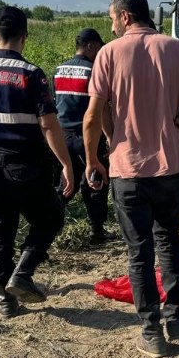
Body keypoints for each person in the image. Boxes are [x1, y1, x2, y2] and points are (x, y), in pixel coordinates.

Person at [84, 0, 179, 358]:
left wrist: (94, 158)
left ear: (123, 16)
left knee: (139, 251)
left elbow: (92, 114)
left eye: (111, 19)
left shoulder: (109, 53)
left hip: (128, 169)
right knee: (168, 241)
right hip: (169, 167)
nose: (112, 25)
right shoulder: (176, 49)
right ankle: (177, 317)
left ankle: (151, 330)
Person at [0, 6, 76, 318]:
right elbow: (49, 125)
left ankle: (5, 300)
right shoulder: (32, 75)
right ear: (24, 37)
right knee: (49, 216)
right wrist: (65, 163)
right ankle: (22, 273)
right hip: (25, 166)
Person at [53, 28, 111, 243]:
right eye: (99, 47)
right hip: (88, 136)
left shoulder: (58, 70)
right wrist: (110, 138)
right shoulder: (94, 71)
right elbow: (101, 110)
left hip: (62, 136)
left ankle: (51, 228)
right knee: (95, 182)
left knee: (66, 183)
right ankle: (97, 231)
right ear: (90, 46)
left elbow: (53, 103)